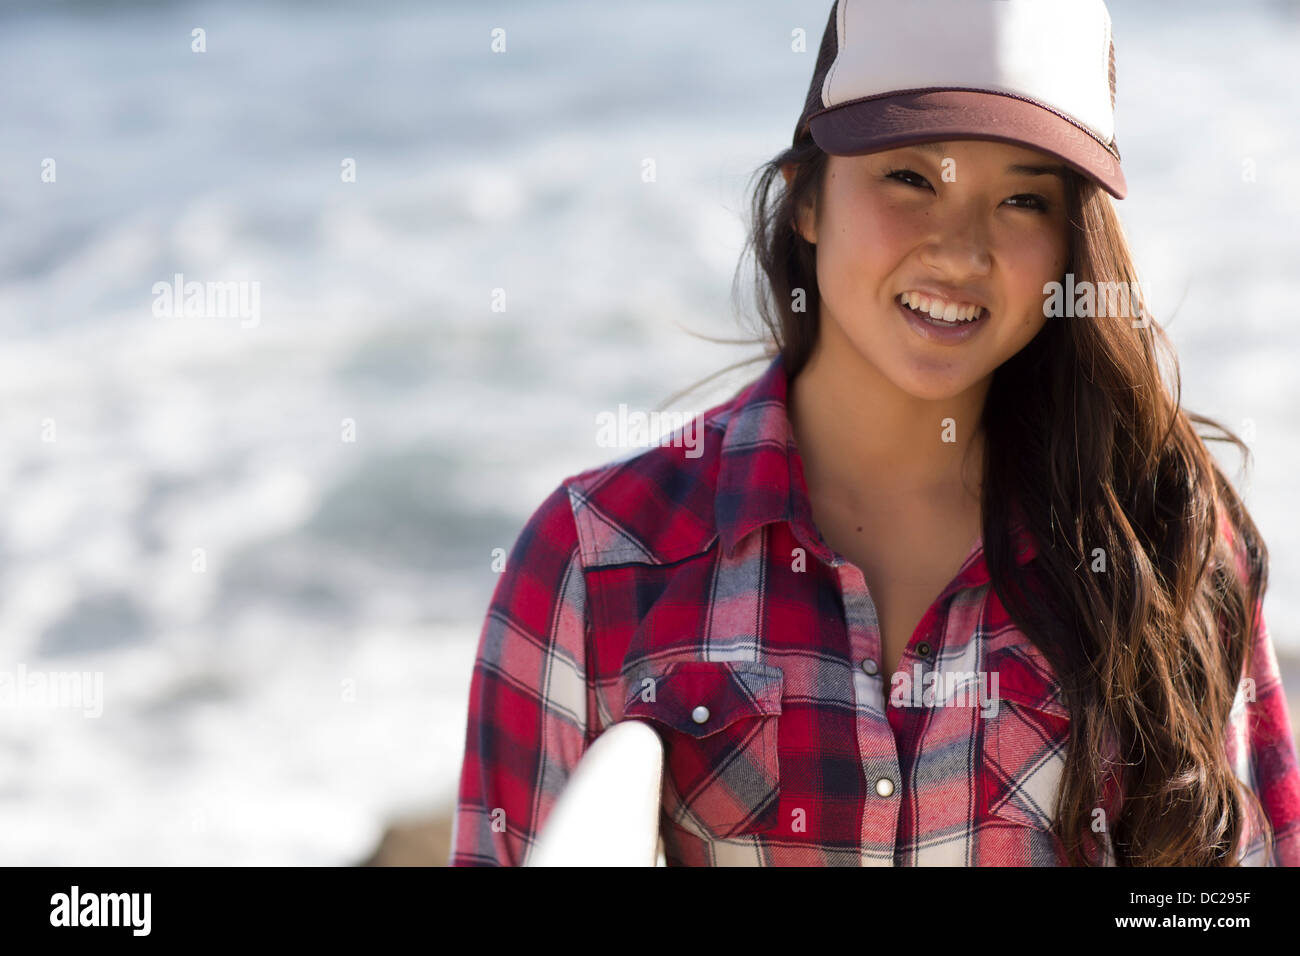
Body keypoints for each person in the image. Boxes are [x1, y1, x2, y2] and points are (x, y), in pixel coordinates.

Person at [449, 0, 1300, 866]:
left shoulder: (1168, 546)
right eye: (910, 179)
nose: (963, 253)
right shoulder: (594, 562)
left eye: (1021, 198)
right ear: (806, 199)